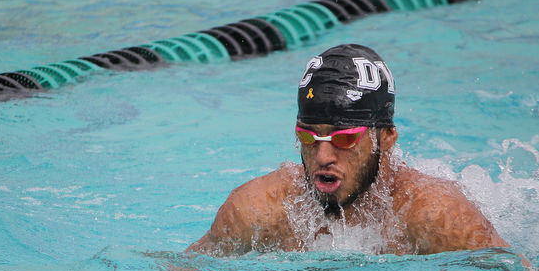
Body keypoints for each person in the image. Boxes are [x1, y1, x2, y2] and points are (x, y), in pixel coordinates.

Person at [187, 44, 512, 257]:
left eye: (344, 138)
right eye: (309, 137)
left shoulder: (435, 217)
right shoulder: (257, 210)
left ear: (386, 138)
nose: (324, 157)